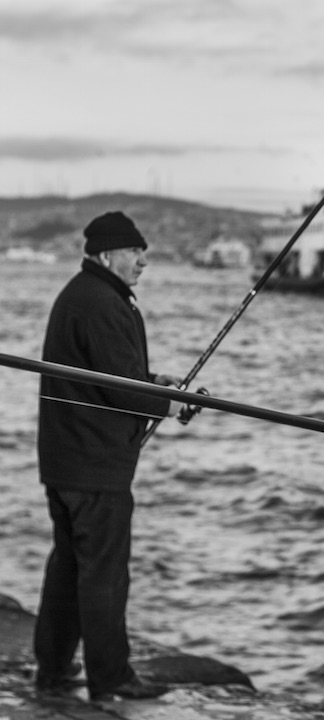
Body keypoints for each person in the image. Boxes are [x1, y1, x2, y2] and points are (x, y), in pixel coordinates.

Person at [34, 211, 183, 702]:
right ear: (106, 255)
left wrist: (153, 382)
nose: (144, 260)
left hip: (67, 462)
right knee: (103, 574)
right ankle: (110, 678)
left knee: (70, 569)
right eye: (135, 251)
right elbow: (121, 389)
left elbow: (108, 374)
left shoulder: (86, 295)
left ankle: (53, 670)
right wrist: (174, 402)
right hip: (95, 466)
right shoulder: (102, 303)